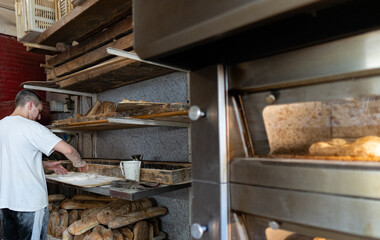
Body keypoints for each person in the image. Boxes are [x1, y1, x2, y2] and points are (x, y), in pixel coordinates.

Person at [0, 89, 88, 240]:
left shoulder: (2, 125)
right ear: (30, 105)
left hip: (6, 202)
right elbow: (68, 149)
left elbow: (10, 159)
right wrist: (79, 162)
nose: (39, 116)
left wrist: (45, 164)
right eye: (38, 111)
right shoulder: (31, 127)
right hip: (30, 205)